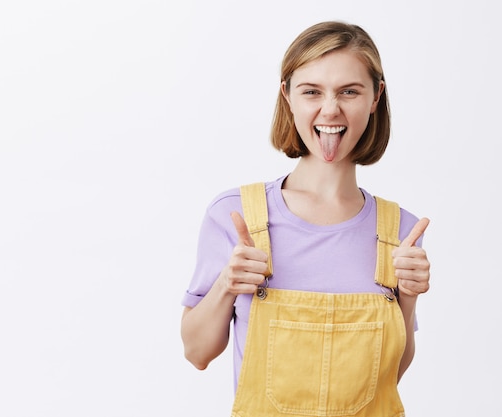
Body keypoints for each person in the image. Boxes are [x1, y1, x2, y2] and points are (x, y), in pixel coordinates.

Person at [180, 21, 431, 417]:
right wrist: (228, 284)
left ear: (375, 97)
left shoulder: (400, 231)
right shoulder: (236, 215)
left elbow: (386, 380)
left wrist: (409, 300)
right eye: (311, 91)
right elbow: (196, 352)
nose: (330, 109)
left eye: (349, 91)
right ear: (288, 96)